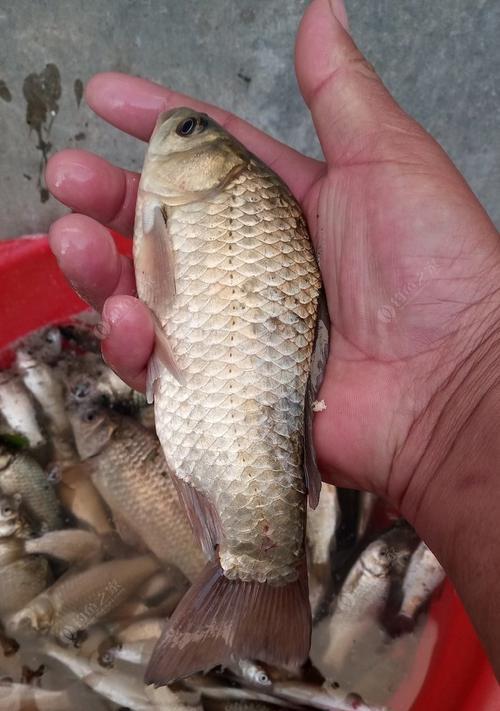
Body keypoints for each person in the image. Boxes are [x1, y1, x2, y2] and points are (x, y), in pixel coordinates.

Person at [45, 0, 500, 676]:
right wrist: (465, 382)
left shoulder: (209, 201)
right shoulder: (210, 200)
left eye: (191, 129)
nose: (176, 132)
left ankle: (257, 581)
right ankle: (258, 588)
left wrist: (468, 370)